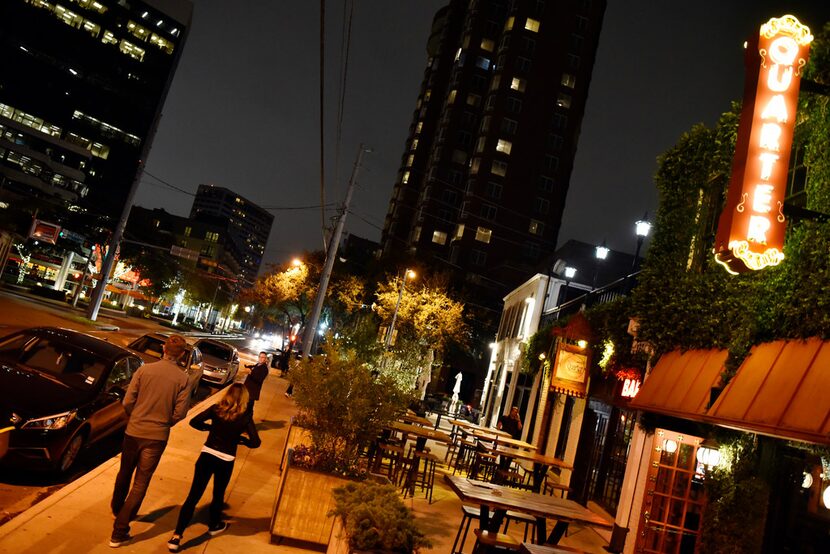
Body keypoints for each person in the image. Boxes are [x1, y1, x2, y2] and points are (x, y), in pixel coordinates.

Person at [110, 335, 191, 548]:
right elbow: (180, 413)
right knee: (141, 483)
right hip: (156, 437)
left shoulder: (144, 370)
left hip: (134, 430)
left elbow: (128, 401)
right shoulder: (183, 379)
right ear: (182, 354)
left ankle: (118, 509)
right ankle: (120, 529)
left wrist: (135, 416)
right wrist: (165, 422)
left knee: (125, 472)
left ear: (163, 349)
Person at [166, 384, 260, 552]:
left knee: (193, 495)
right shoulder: (245, 417)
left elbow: (194, 422)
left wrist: (210, 428)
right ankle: (214, 525)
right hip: (226, 459)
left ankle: (176, 536)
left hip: (207, 455)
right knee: (218, 494)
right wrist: (241, 440)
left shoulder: (216, 409)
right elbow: (255, 442)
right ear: (244, 398)